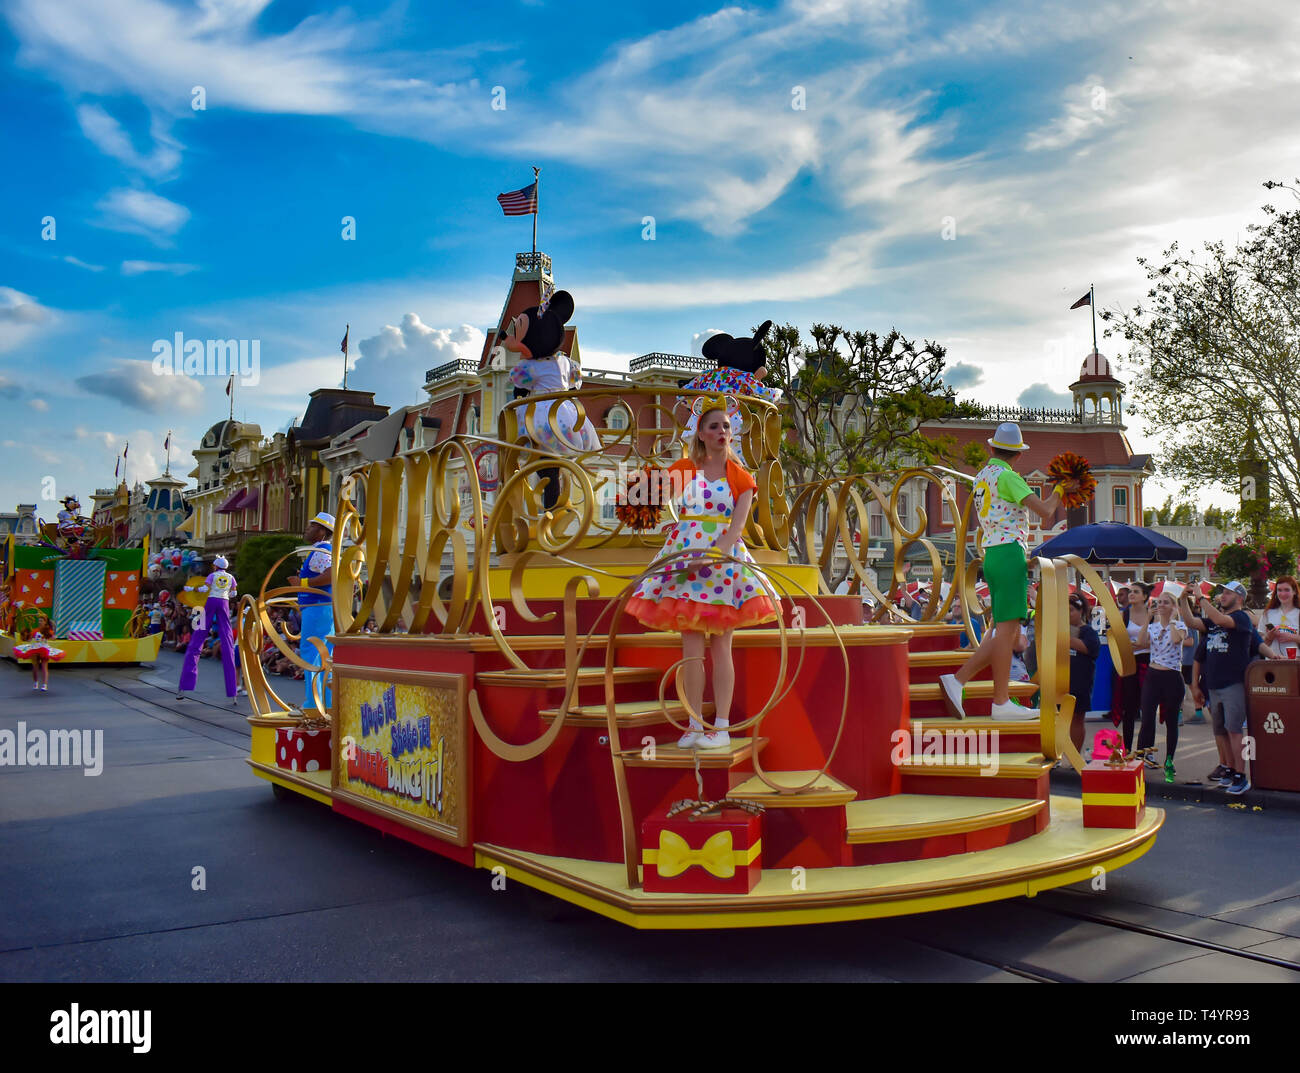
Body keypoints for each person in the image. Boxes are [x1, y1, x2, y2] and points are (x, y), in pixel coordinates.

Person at [624, 395, 779, 748]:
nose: (722, 431)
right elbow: (649, 498)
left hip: (720, 563)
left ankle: (721, 727)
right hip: (684, 558)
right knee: (690, 647)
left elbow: (737, 529)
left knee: (722, 644)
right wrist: (661, 520)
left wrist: (711, 555)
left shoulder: (741, 477)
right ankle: (694, 724)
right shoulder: (683, 469)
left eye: (726, 425)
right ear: (701, 434)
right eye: (715, 426)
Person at [939, 422, 1073, 721]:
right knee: (1006, 632)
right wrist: (1061, 488)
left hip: (991, 555)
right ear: (1018, 454)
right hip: (1010, 553)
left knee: (1006, 633)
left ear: (992, 448)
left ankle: (959, 681)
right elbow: (1046, 511)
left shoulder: (983, 476)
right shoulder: (1008, 477)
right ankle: (999, 702)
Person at [1180, 580, 1254, 795]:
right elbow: (1190, 622)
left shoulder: (1241, 618)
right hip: (1214, 685)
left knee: (1234, 730)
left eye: (1228, 593)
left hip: (1233, 683)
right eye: (1223, 592)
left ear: (1239, 598)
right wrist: (1184, 599)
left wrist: (1201, 597)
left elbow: (1220, 618)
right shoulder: (1212, 623)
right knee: (1221, 731)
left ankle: (1241, 776)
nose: (1223, 596)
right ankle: (1231, 770)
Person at [1137, 589, 1185, 782]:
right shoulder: (1152, 627)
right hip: (1153, 675)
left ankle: (1169, 761)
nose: (1161, 606)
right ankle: (1141, 758)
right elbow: (1140, 642)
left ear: (1173, 606)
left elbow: (1175, 639)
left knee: (1171, 722)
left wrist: (1172, 619)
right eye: (1159, 602)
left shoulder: (1180, 625)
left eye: (1166, 602)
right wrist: (1147, 619)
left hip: (1172, 677)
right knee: (1147, 718)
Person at [178, 555, 241, 702]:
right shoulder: (231, 577)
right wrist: (225, 593)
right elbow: (234, 593)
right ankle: (233, 692)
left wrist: (190, 589)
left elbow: (203, 589)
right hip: (224, 603)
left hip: (212, 602)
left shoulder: (212, 575)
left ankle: (185, 686)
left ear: (216, 566)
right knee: (227, 639)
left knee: (198, 639)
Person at [298, 512, 336, 710]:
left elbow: (331, 575)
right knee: (324, 655)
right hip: (323, 607)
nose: (307, 529)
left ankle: (313, 705)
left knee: (312, 653)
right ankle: (326, 703)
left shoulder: (322, 550)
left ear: (322, 532)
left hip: (318, 608)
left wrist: (302, 582)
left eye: (312, 526)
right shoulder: (322, 550)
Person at [1067, 594, 1101, 752]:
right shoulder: (1056, 629)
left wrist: (1067, 638)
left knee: (1077, 718)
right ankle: (1056, 756)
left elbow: (1090, 649)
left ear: (1080, 611)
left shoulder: (1088, 631)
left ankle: (1075, 756)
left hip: (1080, 681)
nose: (1067, 614)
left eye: (1071, 610)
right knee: (1057, 719)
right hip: (1059, 681)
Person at [15, 612, 64, 692]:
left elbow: (53, 638)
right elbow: (29, 639)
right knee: (35, 667)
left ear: (45, 622)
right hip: (35, 648)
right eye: (39, 620)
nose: (40, 622)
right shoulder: (35, 631)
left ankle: (45, 684)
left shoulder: (48, 631)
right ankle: (35, 682)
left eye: (41, 621)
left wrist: (52, 636)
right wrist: (24, 635)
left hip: (44, 649)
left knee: (44, 666)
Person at [1260, 575, 1300, 659]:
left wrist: (1294, 637)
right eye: (1279, 590)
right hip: (1272, 663)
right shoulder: (1268, 613)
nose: (1283, 594)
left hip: (1295, 664)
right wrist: (1268, 637)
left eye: (1287, 590)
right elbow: (1259, 643)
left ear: (1295, 592)